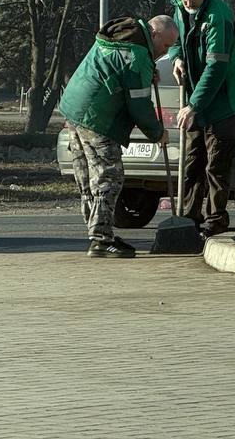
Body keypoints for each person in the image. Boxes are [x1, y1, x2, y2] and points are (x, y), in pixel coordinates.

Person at [60, 14, 178, 259]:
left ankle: (99, 233)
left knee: (87, 178)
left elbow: (120, 72)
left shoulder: (123, 37)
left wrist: (147, 73)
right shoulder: (137, 56)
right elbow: (139, 107)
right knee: (109, 176)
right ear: (154, 34)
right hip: (96, 116)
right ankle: (101, 240)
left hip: (75, 108)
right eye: (165, 46)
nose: (165, 52)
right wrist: (158, 133)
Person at [170, 0, 235, 238]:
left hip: (223, 104)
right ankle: (188, 220)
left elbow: (216, 68)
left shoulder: (219, 17)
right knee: (192, 164)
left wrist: (193, 105)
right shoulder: (179, 10)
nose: (187, 4)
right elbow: (174, 40)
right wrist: (176, 58)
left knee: (216, 167)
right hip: (196, 103)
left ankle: (215, 222)